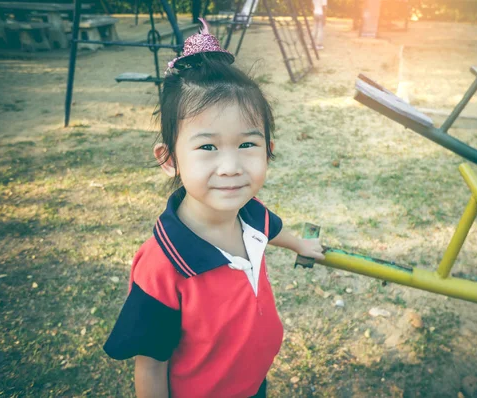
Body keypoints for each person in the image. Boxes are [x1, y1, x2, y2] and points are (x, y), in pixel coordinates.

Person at [103, 19, 325, 398]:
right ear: (169, 159)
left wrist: (300, 245)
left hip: (253, 384)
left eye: (247, 145)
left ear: (268, 150)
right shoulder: (164, 265)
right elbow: (151, 366)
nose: (231, 167)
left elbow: (271, 229)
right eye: (207, 147)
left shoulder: (249, 211)